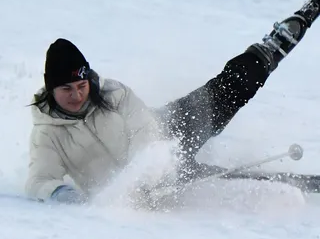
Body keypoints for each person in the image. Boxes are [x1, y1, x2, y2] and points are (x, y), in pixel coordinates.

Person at [24, 33, 283, 204]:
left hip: (168, 137)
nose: (77, 95)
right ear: (51, 90)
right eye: (66, 89)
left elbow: (144, 130)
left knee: (228, 90)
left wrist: (143, 174)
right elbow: (39, 181)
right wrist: (64, 195)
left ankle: (272, 47)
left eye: (81, 85)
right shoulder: (48, 133)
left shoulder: (113, 93)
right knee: (225, 182)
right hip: (150, 189)